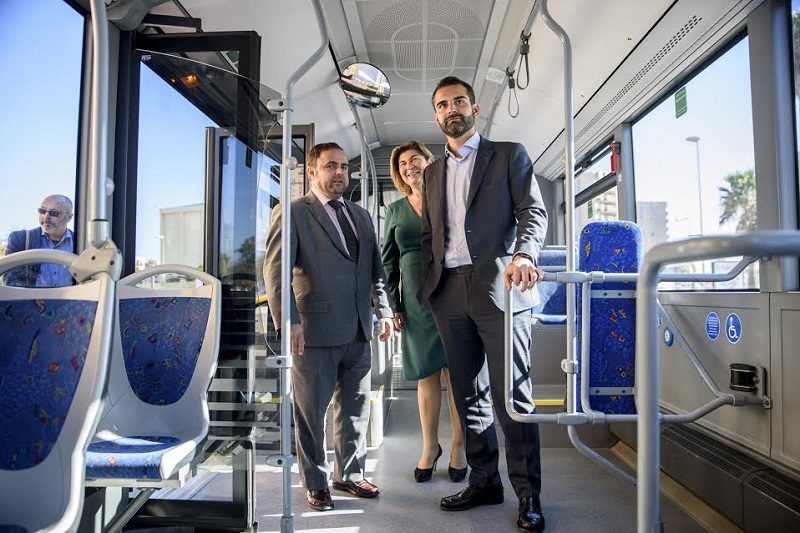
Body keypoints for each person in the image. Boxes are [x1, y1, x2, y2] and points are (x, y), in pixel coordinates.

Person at [418, 76, 548, 532]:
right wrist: (428, 285)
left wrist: (525, 253)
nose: (450, 109)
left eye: (458, 101)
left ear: (474, 107)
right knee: (467, 394)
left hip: (500, 285)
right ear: (435, 116)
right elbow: (429, 235)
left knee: (513, 395)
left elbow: (532, 212)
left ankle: (528, 495)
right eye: (441, 105)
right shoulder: (432, 172)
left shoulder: (509, 155)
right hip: (448, 291)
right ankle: (485, 481)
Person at [263, 142, 393, 512]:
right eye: (331, 166)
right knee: (311, 412)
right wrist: (288, 321)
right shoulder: (291, 212)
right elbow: (274, 272)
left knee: (355, 410)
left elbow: (375, 272)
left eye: (344, 167)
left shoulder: (361, 216)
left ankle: (349, 474)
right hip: (313, 330)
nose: (339, 173)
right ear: (313, 171)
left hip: (358, 330)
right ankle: (316, 481)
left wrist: (383, 311)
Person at [381, 140, 468, 483]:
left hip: (453, 293)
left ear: (429, 161)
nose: (408, 166)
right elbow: (387, 263)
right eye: (402, 163)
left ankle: (459, 446)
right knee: (425, 374)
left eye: (414, 159)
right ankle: (430, 447)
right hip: (416, 301)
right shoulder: (396, 210)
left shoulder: (449, 201)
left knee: (458, 374)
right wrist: (393, 305)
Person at [2, 194, 76, 287]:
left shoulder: (80, 243)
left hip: (72, 301)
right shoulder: (21, 239)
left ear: (69, 217)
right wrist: (32, 297)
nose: (46, 217)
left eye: (53, 213)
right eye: (42, 211)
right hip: (30, 300)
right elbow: (11, 281)